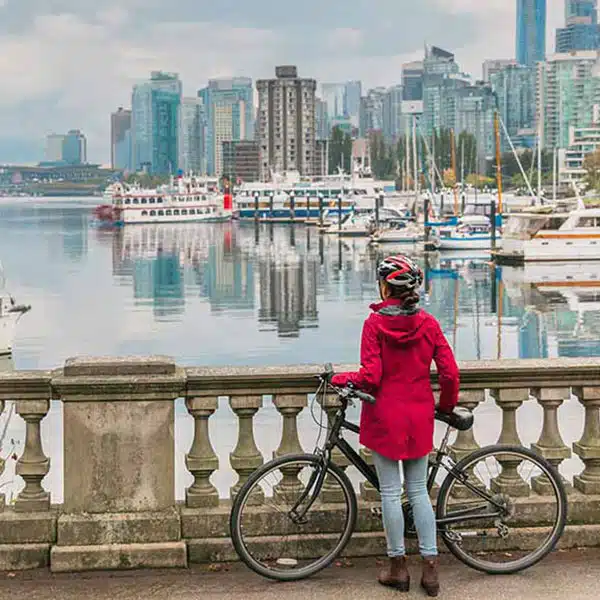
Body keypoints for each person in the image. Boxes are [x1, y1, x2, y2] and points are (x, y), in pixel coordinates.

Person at [331, 254, 459, 597]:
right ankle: (430, 572)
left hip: (386, 416)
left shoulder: (374, 324)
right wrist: (445, 407)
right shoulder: (429, 324)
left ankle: (398, 568)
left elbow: (370, 377)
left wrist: (342, 378)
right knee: (418, 491)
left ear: (385, 286)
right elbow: (449, 373)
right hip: (418, 416)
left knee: (390, 492)